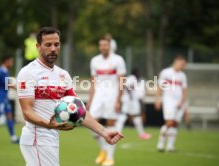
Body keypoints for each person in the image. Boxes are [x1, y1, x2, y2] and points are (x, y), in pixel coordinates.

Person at [17, 27, 124, 166]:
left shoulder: (63, 75)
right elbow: (27, 112)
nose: (53, 49)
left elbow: (79, 111)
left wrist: (104, 132)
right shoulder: (28, 73)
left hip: (51, 138)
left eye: (57, 44)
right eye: (48, 45)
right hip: (37, 138)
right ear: (38, 46)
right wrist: (47, 125)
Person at [86, 37, 126, 166]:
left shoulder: (118, 60)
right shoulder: (95, 61)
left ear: (110, 46)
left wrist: (119, 100)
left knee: (110, 123)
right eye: (101, 45)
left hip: (112, 95)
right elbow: (93, 82)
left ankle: (109, 157)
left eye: (105, 45)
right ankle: (103, 148)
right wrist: (90, 100)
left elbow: (121, 81)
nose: (103, 47)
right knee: (90, 122)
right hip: (98, 95)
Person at [155, 55, 188, 152]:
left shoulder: (182, 76)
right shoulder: (166, 72)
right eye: (181, 64)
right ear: (176, 61)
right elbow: (160, 86)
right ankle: (160, 144)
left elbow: (184, 91)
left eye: (184, 65)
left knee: (175, 124)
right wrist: (157, 99)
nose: (182, 66)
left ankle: (170, 146)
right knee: (169, 123)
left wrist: (182, 102)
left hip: (179, 103)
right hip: (168, 101)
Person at [115, 68, 151, 140]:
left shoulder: (132, 79)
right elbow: (124, 85)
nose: (139, 74)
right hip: (130, 100)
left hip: (131, 100)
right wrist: (130, 94)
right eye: (138, 72)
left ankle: (141, 133)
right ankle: (116, 132)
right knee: (124, 116)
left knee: (135, 116)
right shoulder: (132, 78)